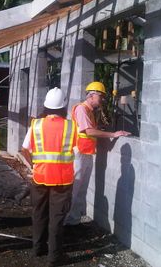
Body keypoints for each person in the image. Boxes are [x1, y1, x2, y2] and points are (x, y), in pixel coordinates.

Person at [21, 87, 77, 267]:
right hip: (62, 180)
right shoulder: (71, 126)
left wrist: (34, 165)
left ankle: (37, 248)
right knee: (56, 218)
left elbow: (24, 149)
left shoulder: (36, 125)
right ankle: (53, 258)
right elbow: (79, 148)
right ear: (63, 106)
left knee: (38, 213)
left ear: (45, 105)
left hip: (39, 177)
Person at [64, 81, 130, 226]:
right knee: (75, 188)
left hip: (86, 153)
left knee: (82, 188)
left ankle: (73, 220)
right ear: (91, 95)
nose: (102, 100)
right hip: (79, 153)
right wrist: (112, 134)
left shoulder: (89, 112)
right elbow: (88, 131)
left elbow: (91, 132)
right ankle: (64, 220)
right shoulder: (82, 109)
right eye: (100, 96)